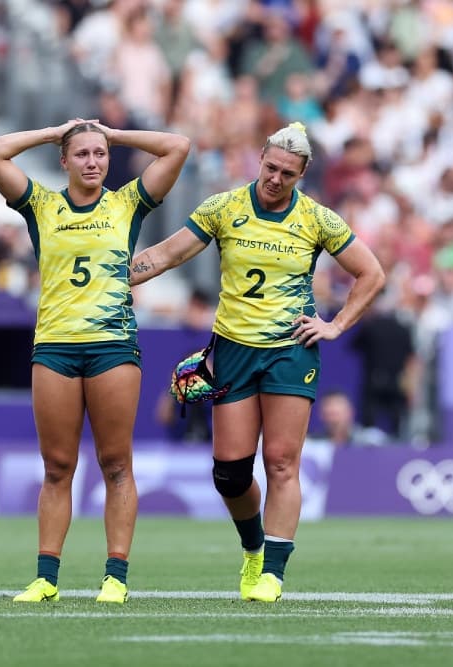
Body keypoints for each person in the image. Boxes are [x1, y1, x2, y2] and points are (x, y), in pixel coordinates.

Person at [129, 122, 385, 602]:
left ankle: (272, 572)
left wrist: (335, 325)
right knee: (229, 472)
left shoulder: (317, 219)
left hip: (290, 351)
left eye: (287, 173)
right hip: (233, 349)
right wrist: (117, 279)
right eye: (270, 167)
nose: (275, 178)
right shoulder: (223, 207)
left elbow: (371, 272)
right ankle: (252, 547)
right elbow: (166, 254)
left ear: (302, 173)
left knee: (282, 462)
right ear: (260, 159)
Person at [0, 118, 190, 603]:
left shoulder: (126, 203)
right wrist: (51, 130)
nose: (93, 162)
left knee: (116, 463)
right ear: (64, 160)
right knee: (56, 467)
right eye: (82, 154)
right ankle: (46, 578)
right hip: (54, 346)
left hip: (112, 345)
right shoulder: (42, 204)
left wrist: (114, 134)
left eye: (100, 154)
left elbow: (177, 145)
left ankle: (115, 576)